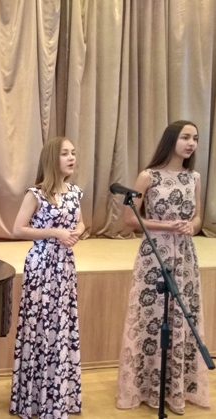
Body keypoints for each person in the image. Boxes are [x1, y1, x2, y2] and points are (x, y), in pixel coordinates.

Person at [116, 120, 210, 414]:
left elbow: (197, 218)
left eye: (195, 138)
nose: (191, 143)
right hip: (154, 255)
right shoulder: (148, 176)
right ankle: (147, 387)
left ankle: (175, 388)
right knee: (153, 317)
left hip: (185, 256)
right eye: (185, 137)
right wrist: (167, 226)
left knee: (181, 316)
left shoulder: (193, 177)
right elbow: (129, 219)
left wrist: (191, 226)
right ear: (171, 140)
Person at [9, 137, 85, 418]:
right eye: (65, 153)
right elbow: (18, 229)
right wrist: (55, 233)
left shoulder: (75, 192)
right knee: (40, 327)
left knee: (62, 326)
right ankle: (35, 400)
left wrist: (77, 232)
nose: (71, 157)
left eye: (73, 153)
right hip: (42, 264)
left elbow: (81, 221)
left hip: (65, 265)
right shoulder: (36, 193)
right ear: (52, 158)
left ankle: (59, 397)